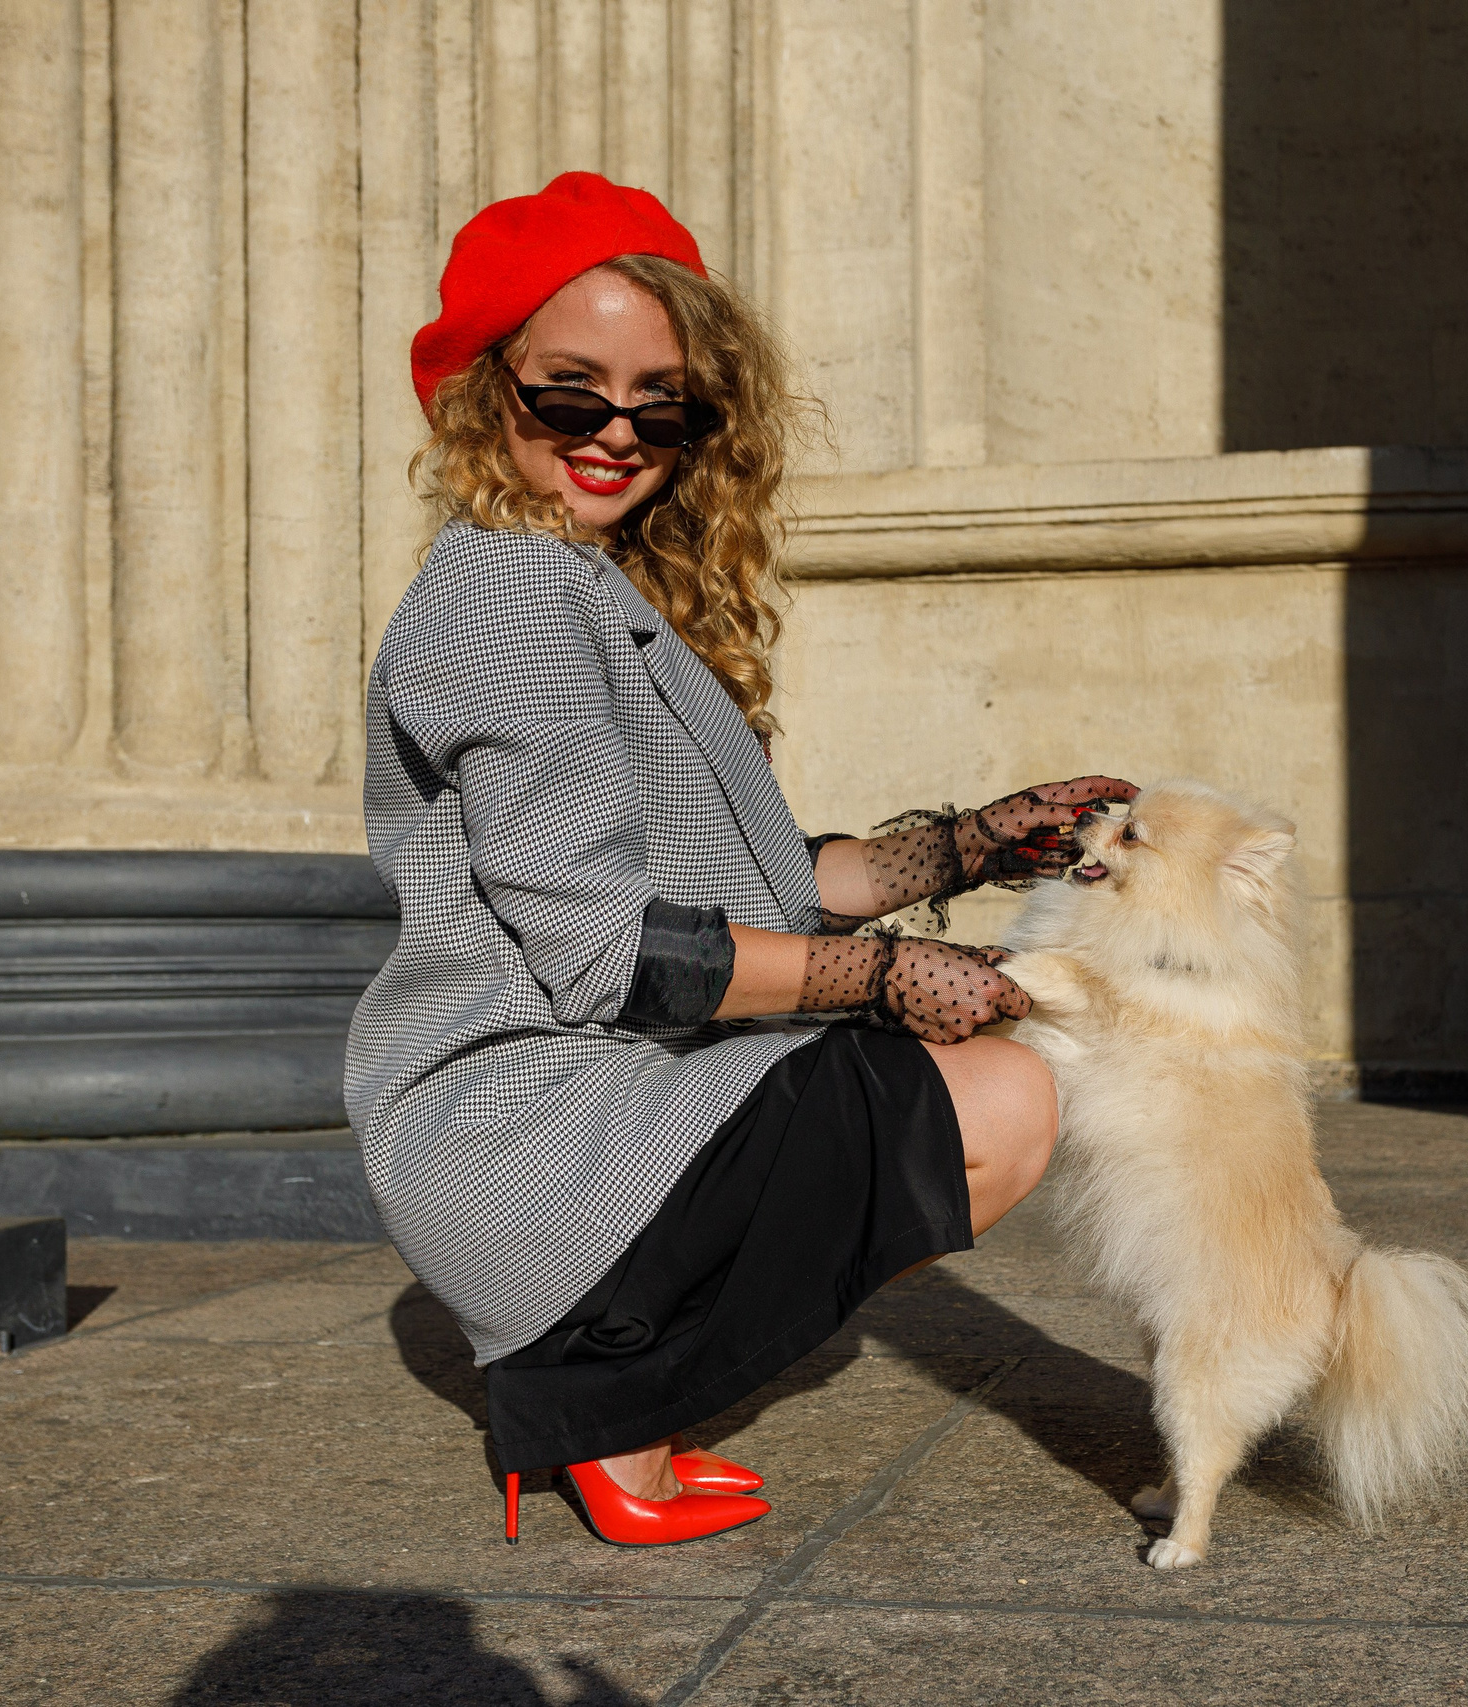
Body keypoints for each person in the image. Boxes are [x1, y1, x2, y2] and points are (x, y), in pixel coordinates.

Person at [345, 171, 1135, 1547]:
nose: (617, 432)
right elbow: (613, 952)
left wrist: (972, 844)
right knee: (996, 1103)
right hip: (521, 1121)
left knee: (975, 1095)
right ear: (487, 393)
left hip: (589, 1089)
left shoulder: (587, 580)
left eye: (662, 401)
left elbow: (761, 885)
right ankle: (604, 1401)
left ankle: (612, 1385)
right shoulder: (513, 590)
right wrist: (888, 982)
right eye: (570, 392)